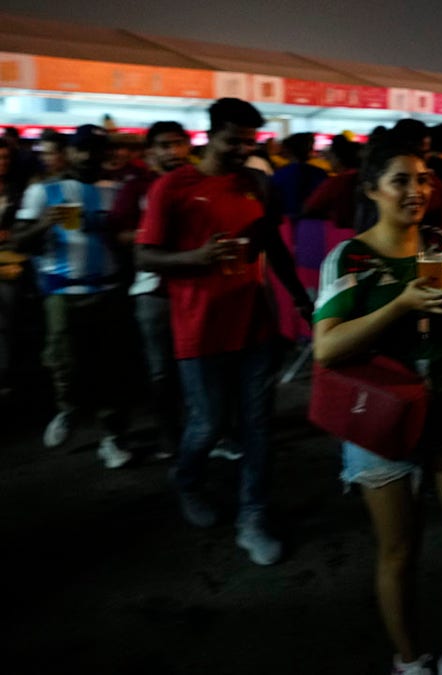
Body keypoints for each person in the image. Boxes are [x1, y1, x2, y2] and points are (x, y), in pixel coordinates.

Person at [312, 131, 442, 675]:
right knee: (399, 553)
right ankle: (410, 660)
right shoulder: (350, 259)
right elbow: (327, 347)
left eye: (422, 179)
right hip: (381, 421)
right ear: (372, 190)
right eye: (401, 181)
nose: (416, 190)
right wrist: (401, 303)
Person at [136, 98, 313, 566]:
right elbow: (145, 256)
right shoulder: (173, 187)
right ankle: (187, 480)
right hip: (198, 329)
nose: (240, 149)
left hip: (254, 327)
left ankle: (252, 518)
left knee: (257, 428)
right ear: (209, 135)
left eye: (248, 142)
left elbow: (271, 244)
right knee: (209, 423)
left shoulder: (256, 184)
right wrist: (193, 260)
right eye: (232, 140)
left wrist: (298, 297)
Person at [12, 124, 135, 468]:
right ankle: (68, 410)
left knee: (112, 368)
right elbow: (18, 241)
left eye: (95, 148)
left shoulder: (116, 190)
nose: (88, 155)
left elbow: (126, 238)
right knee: (63, 362)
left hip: (108, 290)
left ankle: (112, 436)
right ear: (71, 152)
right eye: (82, 148)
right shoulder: (46, 191)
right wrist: (45, 223)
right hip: (63, 292)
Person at [109, 121, 192, 457]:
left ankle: (207, 433)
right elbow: (119, 233)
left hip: (195, 288)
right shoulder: (138, 186)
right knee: (161, 372)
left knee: (199, 367)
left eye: (177, 143)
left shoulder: (200, 181)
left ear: (188, 145)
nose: (171, 151)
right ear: (152, 150)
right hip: (153, 290)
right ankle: (170, 439)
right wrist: (156, 235)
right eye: (163, 145)